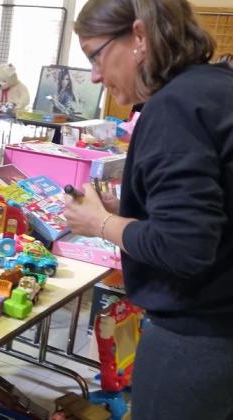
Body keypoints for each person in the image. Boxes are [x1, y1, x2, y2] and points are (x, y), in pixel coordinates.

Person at [63, 0, 233, 419]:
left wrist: (101, 223)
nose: (96, 75)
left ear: (139, 36)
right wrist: (131, 209)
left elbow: (185, 247)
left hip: (199, 338)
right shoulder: (217, 88)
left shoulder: (173, 107)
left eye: (94, 56)